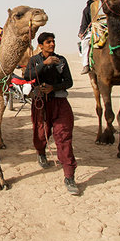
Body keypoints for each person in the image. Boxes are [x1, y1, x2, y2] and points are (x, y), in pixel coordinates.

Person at [24, 33, 79, 195]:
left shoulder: (61, 60)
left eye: (53, 41)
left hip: (60, 102)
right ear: (40, 45)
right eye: (48, 42)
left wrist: (53, 88)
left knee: (64, 136)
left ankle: (69, 175)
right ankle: (41, 152)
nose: (52, 44)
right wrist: (44, 64)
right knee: (41, 132)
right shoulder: (34, 61)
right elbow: (27, 76)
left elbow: (69, 82)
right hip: (41, 103)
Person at [78, 0, 103, 74]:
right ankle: (86, 64)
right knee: (85, 42)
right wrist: (81, 32)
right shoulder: (87, 9)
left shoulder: (107, 4)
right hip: (96, 29)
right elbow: (84, 23)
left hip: (109, 26)